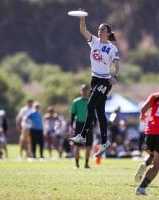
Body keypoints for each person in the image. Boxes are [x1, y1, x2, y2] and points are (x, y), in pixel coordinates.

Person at [69, 9, 121, 157]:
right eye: (98, 29)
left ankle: (83, 134)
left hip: (105, 80)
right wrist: (82, 18)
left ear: (108, 32)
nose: (99, 31)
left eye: (102, 29)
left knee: (90, 104)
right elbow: (83, 30)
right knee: (99, 112)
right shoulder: (94, 42)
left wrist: (115, 76)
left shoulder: (111, 48)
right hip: (95, 79)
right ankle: (104, 142)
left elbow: (117, 65)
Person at [70, 84, 93, 168]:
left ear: (88, 92)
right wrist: (71, 126)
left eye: (86, 90)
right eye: (83, 90)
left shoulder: (91, 101)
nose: (84, 92)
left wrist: (96, 125)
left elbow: (94, 115)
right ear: (81, 91)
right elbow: (72, 114)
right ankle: (76, 164)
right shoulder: (76, 101)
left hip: (89, 124)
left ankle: (86, 164)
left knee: (88, 145)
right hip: (79, 124)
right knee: (77, 145)